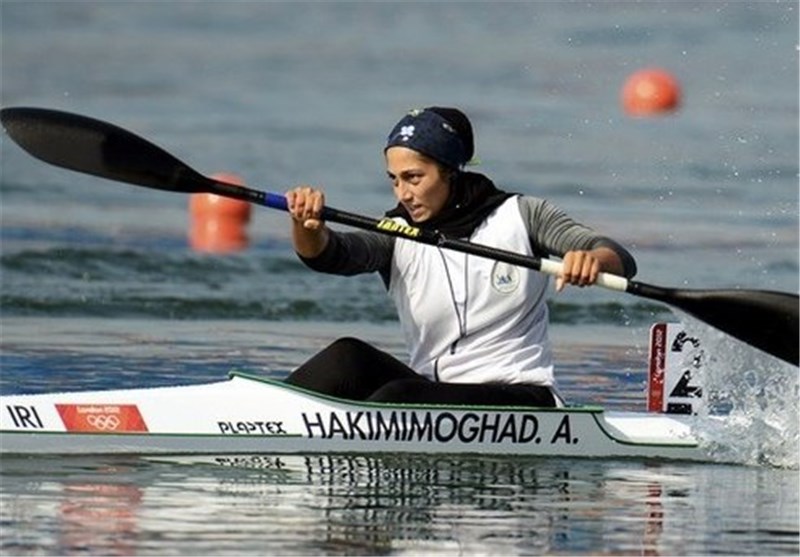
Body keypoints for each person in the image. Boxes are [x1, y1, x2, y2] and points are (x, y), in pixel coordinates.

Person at [283, 107, 637, 408]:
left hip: (521, 395)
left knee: (399, 395)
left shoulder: (521, 214)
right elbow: (330, 255)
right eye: (394, 180)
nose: (403, 193)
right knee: (348, 356)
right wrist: (307, 226)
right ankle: (258, 419)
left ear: (450, 172)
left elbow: (615, 255)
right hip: (432, 393)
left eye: (414, 178)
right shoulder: (395, 231)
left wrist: (593, 261)